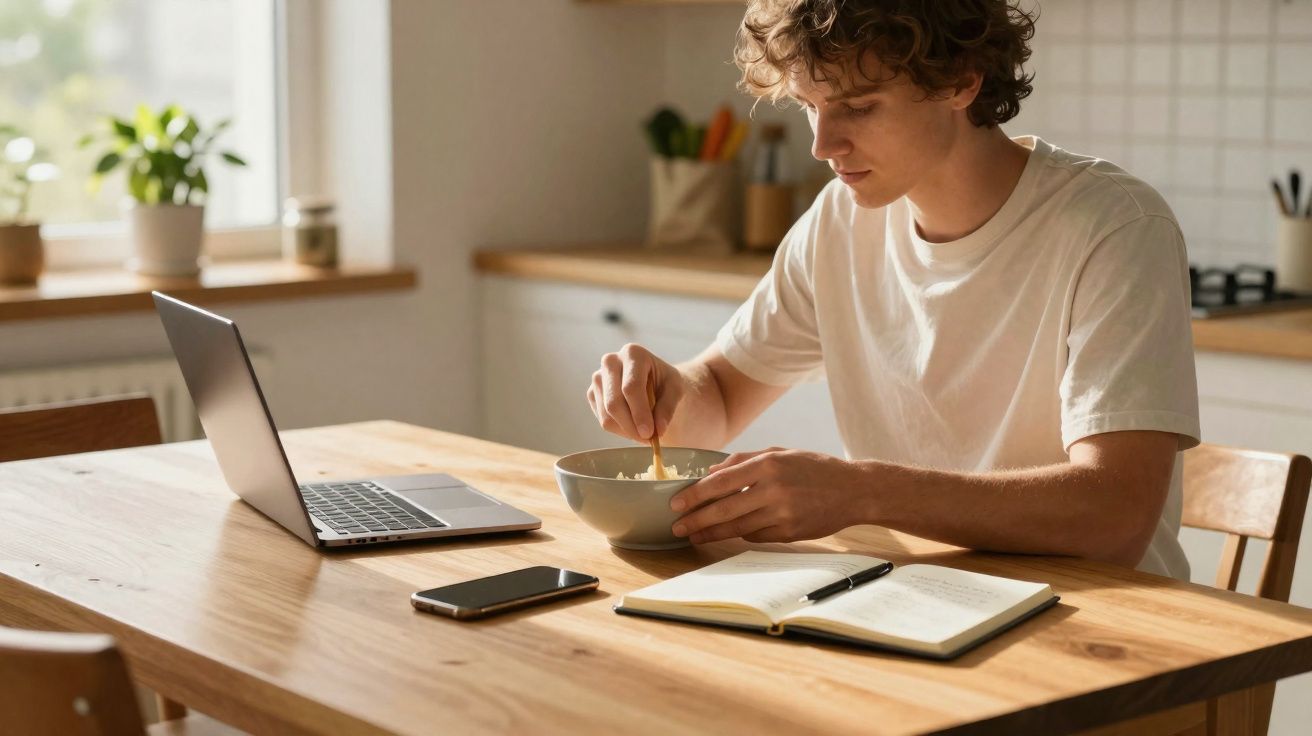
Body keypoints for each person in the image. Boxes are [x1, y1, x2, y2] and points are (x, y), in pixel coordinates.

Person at [586, 0, 1199, 578]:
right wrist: (667, 393)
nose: (823, 146)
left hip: (1104, 631)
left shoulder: (1114, 226)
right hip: (915, 599)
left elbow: (1113, 516)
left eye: (859, 106)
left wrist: (862, 491)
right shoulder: (839, 222)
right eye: (809, 105)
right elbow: (718, 397)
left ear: (961, 80)